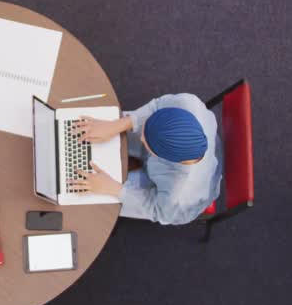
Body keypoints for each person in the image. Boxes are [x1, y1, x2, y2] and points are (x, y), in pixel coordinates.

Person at [67, 93, 221, 225]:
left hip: (164, 198)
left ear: (163, 158)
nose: (140, 136)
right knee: (107, 128)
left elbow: (155, 210)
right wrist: (116, 125)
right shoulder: (187, 103)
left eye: (146, 141)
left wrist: (113, 188)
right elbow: (156, 107)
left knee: (95, 195)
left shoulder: (179, 197)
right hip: (165, 155)